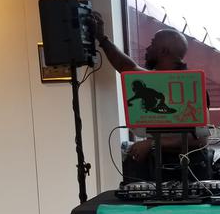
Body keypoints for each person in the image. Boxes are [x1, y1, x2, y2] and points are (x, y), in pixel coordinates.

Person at [87, 12, 212, 181]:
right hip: (159, 170)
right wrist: (102, 39)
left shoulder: (190, 86)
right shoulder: (155, 81)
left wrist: (152, 143)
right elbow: (126, 66)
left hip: (190, 174)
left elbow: (201, 139)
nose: (147, 48)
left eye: (152, 44)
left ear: (164, 51)